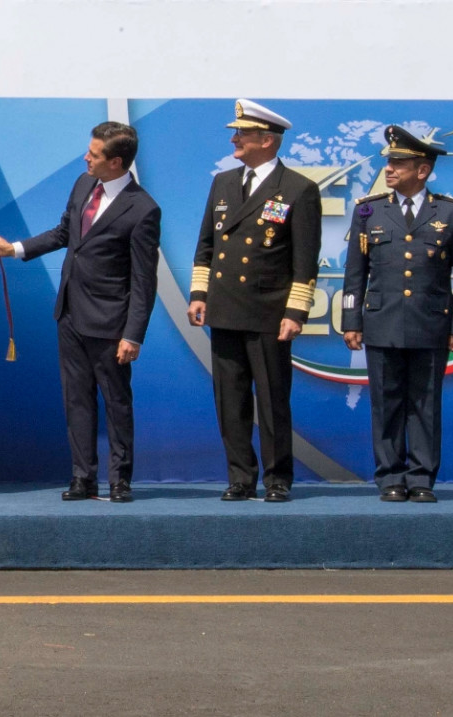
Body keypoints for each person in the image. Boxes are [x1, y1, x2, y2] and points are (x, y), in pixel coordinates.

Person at [0, 122, 161, 503]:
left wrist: (133, 333)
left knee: (116, 403)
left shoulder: (143, 208)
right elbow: (65, 233)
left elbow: (145, 279)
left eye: (94, 154)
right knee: (76, 400)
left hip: (111, 324)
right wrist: (14, 248)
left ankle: (120, 480)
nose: (86, 158)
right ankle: (83, 477)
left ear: (115, 162)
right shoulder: (84, 185)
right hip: (70, 315)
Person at [187, 99, 321, 502]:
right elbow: (206, 246)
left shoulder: (298, 188)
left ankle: (277, 479)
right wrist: (198, 293)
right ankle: (240, 478)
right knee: (231, 401)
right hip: (225, 308)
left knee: (273, 400)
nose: (234, 139)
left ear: (267, 140)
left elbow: (305, 260)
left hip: (268, 311)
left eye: (242, 134)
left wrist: (295, 311)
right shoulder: (223, 183)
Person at [342, 125, 453, 503]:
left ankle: (421, 479)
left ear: (423, 170)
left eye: (399, 163)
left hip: (430, 322)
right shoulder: (368, 211)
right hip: (382, 320)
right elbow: (355, 274)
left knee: (425, 403)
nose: (390, 168)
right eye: (389, 162)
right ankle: (390, 478)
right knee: (386, 401)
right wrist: (351, 321)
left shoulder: (451, 213)